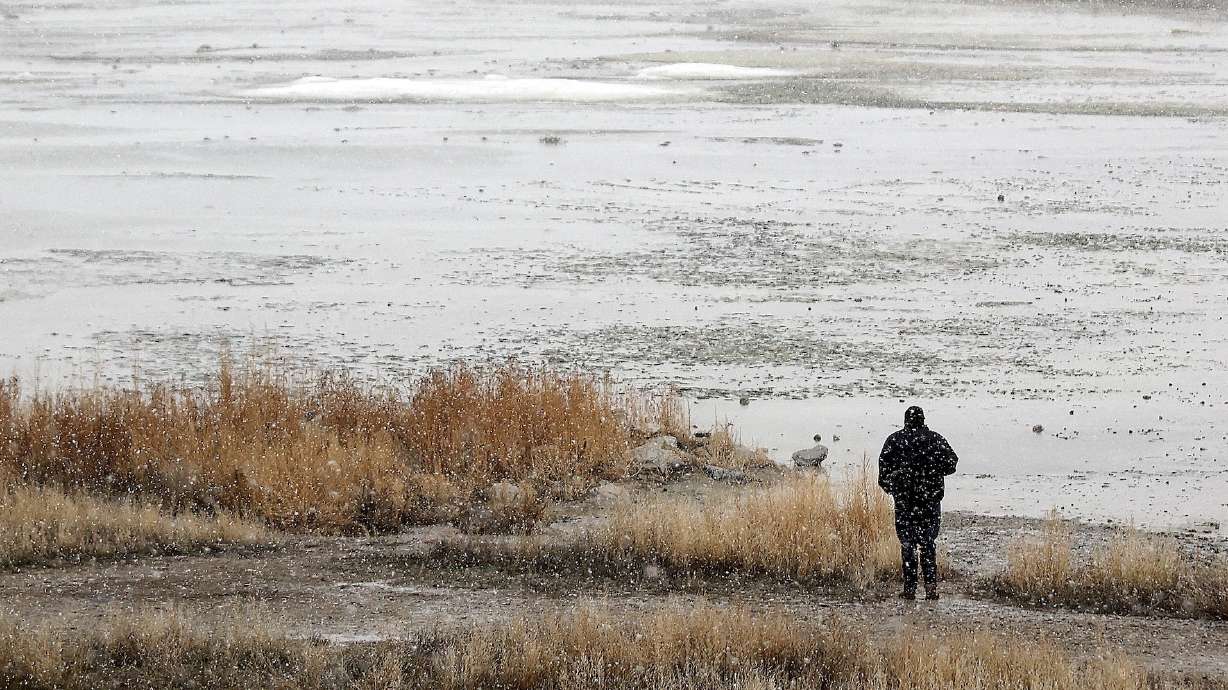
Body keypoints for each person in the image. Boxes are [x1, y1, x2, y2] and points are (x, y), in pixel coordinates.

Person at [877, 406, 958, 600]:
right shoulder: (936, 439)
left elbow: (883, 474)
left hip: (905, 502)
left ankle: (910, 589)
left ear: (905, 420)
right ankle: (931, 589)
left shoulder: (895, 440)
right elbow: (951, 463)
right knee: (928, 543)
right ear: (923, 420)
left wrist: (894, 488)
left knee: (907, 544)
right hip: (929, 501)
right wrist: (932, 472)